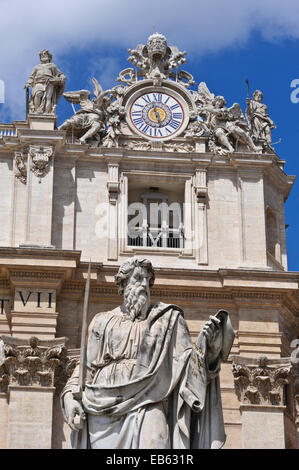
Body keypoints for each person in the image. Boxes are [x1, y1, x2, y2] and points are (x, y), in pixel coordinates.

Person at [61, 257, 234, 449]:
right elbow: (85, 369)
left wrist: (209, 350)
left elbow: (187, 366)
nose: (144, 284)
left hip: (151, 397)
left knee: (157, 443)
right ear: (123, 283)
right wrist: (69, 397)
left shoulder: (167, 319)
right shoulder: (102, 321)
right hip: (104, 405)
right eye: (138, 278)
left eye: (148, 280)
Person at [24, 49, 65, 114]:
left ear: (49, 57)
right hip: (39, 82)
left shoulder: (52, 66)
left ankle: (47, 113)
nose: (43, 56)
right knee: (38, 94)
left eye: (45, 54)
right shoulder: (37, 67)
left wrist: (62, 77)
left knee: (48, 98)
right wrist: (28, 83)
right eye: (42, 55)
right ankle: (37, 111)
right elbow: (31, 77)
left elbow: (60, 74)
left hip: (50, 82)